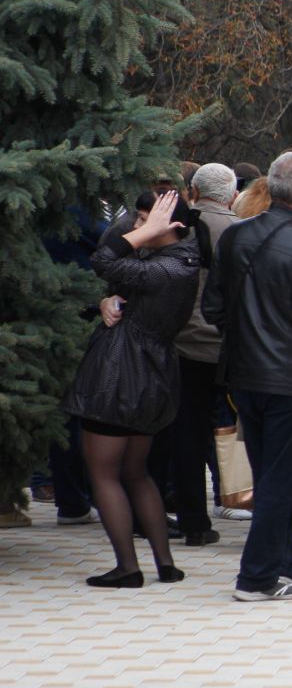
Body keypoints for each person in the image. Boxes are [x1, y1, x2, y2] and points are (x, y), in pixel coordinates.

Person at [202, 150, 292, 601]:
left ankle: (282, 568)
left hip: (244, 376)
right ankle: (257, 578)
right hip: (289, 380)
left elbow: (214, 308)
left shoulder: (236, 237)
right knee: (280, 483)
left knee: (274, 477)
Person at [64, 191, 202, 587]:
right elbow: (117, 277)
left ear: (171, 227)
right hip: (150, 373)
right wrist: (110, 298)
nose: (138, 228)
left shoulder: (168, 267)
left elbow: (103, 258)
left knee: (104, 472)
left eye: (146, 220)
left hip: (122, 374)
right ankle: (164, 564)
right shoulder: (176, 260)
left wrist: (146, 233)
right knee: (135, 472)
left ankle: (128, 567)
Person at [164, 163, 242, 545]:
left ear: (193, 190)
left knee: (188, 433)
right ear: (231, 194)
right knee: (243, 428)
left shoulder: (178, 227)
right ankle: (242, 497)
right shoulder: (238, 231)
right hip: (230, 345)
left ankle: (193, 519)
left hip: (183, 342)